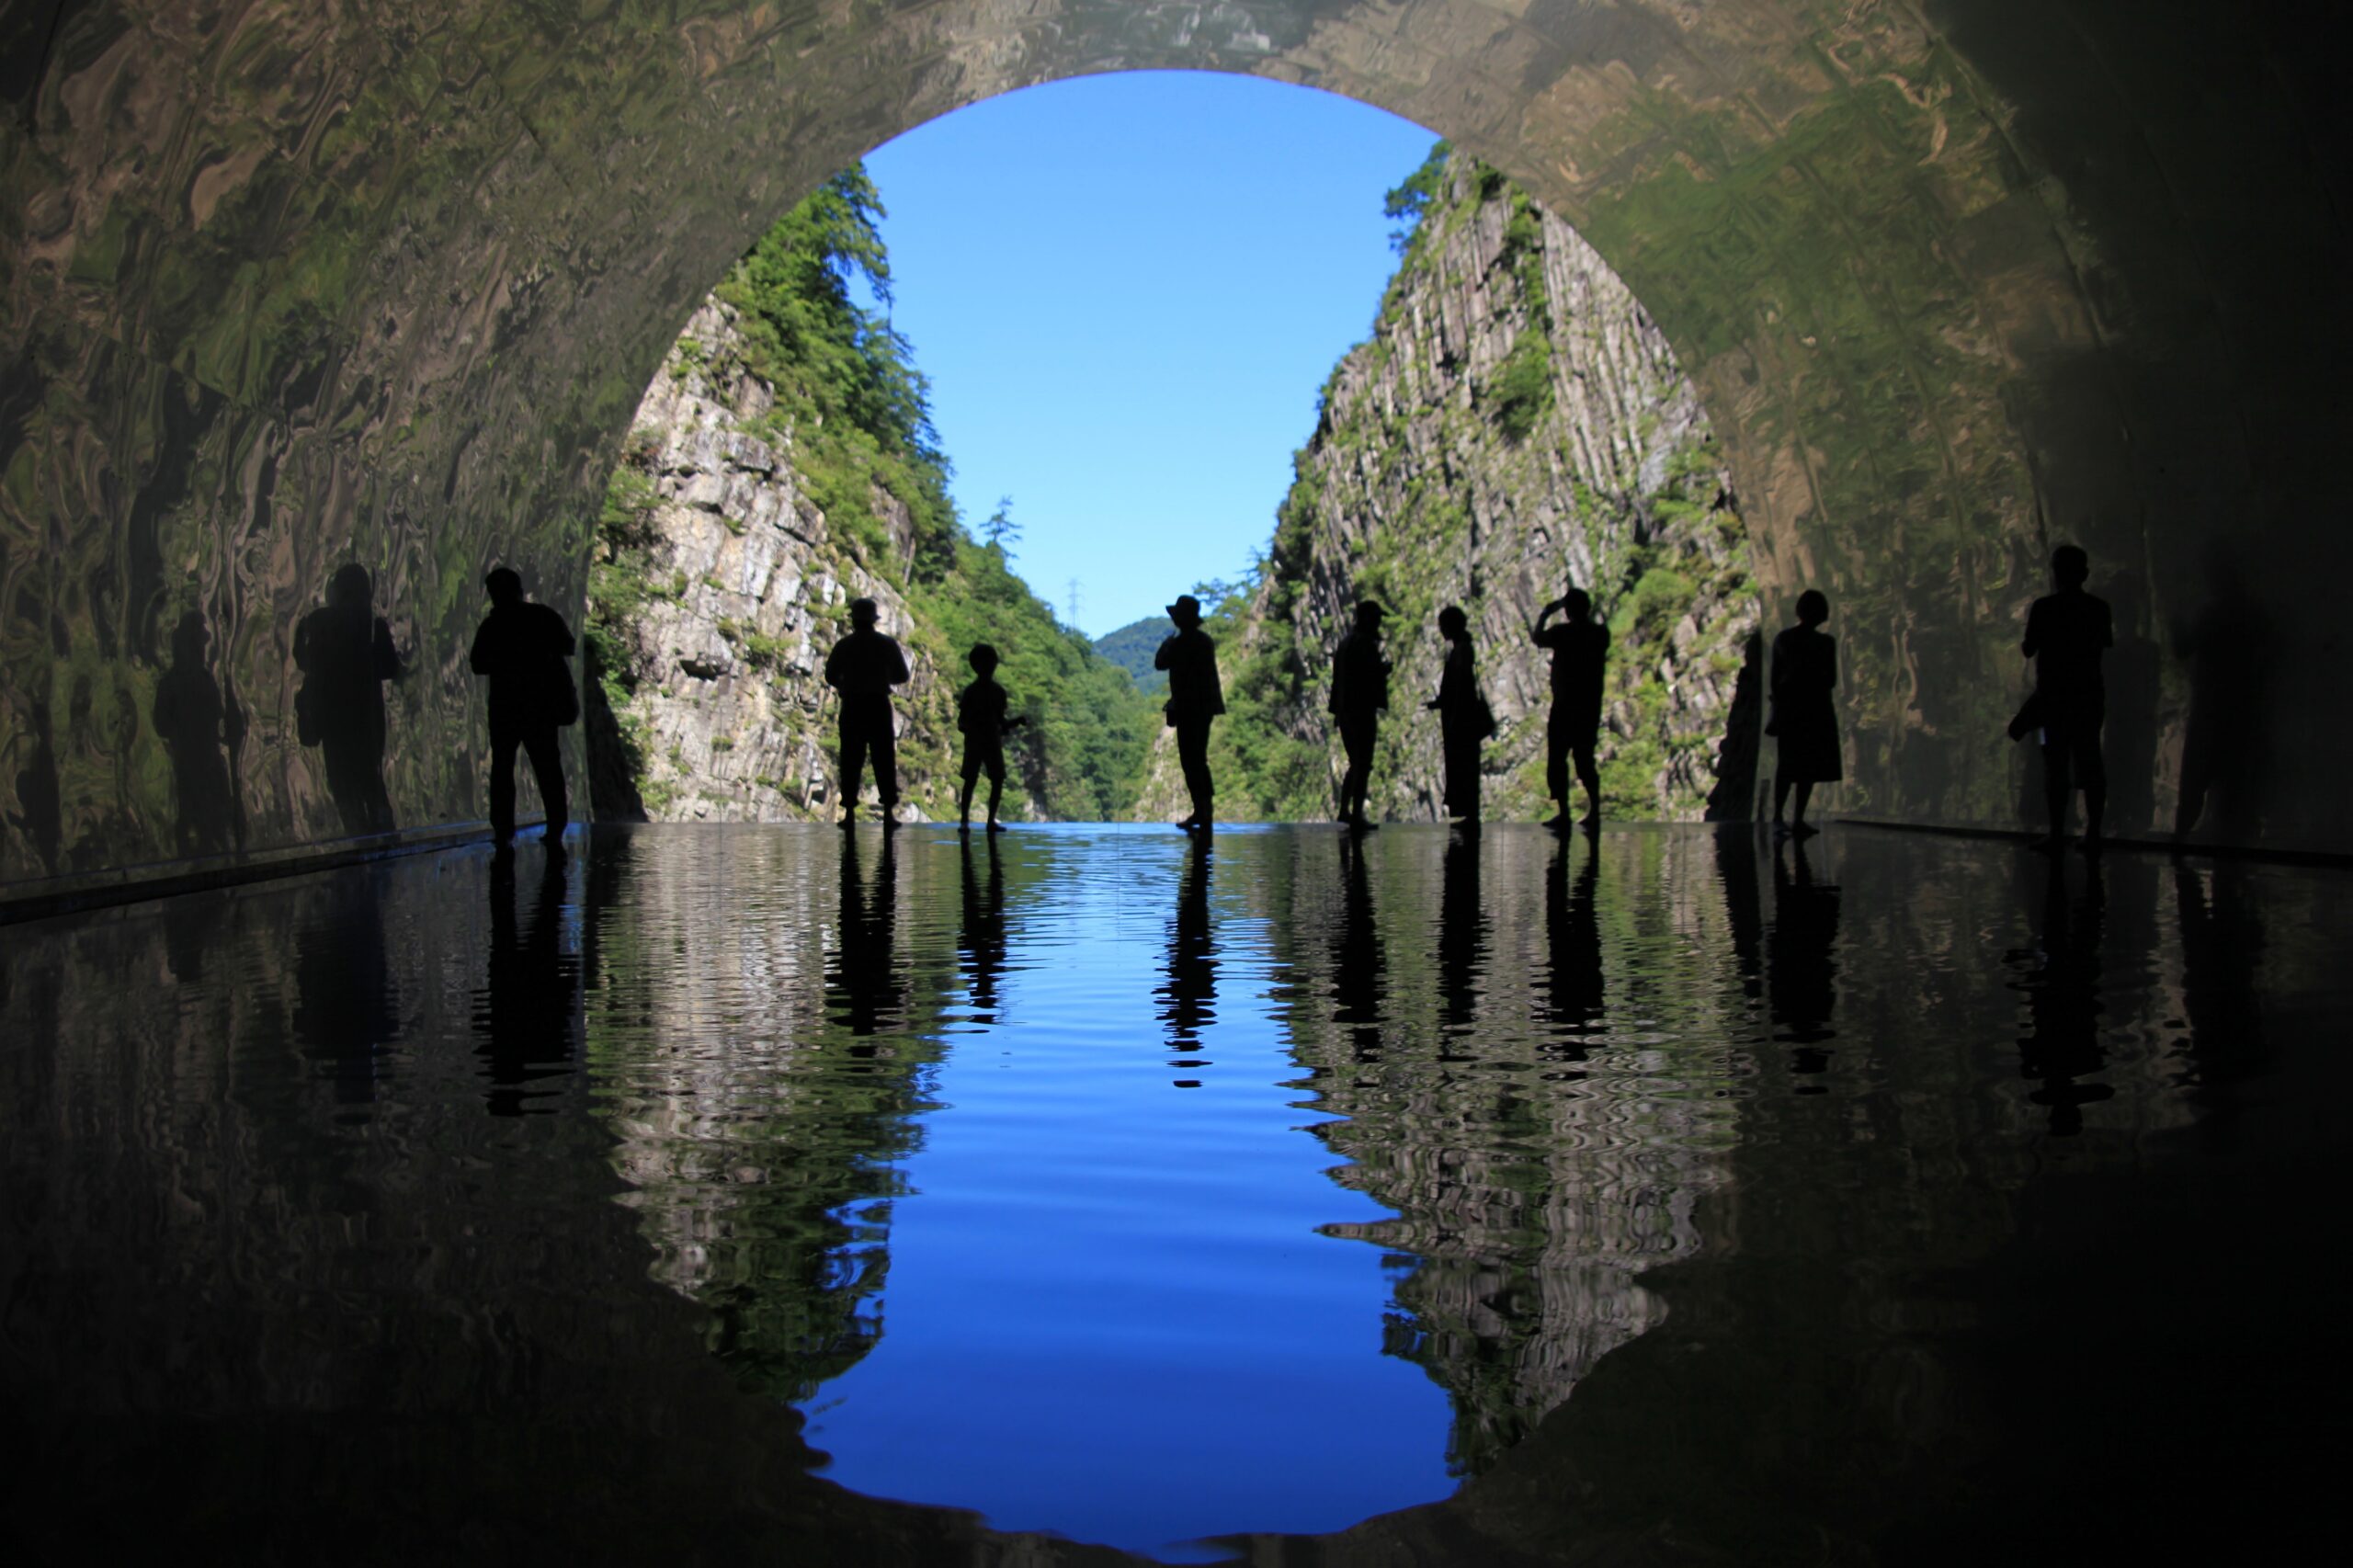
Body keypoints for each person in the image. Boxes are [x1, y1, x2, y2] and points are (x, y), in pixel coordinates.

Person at [293, 562, 405, 834]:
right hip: (367, 719)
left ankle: (357, 840)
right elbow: (389, 669)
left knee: (343, 785)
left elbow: (303, 661)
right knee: (371, 781)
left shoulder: (318, 622)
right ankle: (384, 840)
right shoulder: (371, 624)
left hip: (333, 719)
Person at [469, 566, 576, 846]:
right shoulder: (543, 616)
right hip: (541, 706)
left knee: (503, 768)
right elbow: (569, 645)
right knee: (547, 766)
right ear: (520, 589)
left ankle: (503, 829)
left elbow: (478, 664)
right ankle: (555, 827)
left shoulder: (492, 625)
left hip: (505, 708)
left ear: (492, 594)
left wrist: (505, 662)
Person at [2022, 544, 2113, 852]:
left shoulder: (2043, 608)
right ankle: (2093, 833)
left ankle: (2059, 832)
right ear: (2084, 573)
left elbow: (2028, 648)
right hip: (2088, 697)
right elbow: (2104, 646)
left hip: (2052, 700)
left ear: (2055, 573)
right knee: (2090, 761)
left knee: (2055, 765)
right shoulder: (2099, 609)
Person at [824, 597, 910, 828]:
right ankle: (889, 813)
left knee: (851, 758)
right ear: (874, 620)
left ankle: (849, 813)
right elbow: (903, 675)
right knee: (883, 758)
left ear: (854, 620)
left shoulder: (844, 645)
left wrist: (847, 681)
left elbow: (830, 675)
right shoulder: (887, 644)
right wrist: (882, 677)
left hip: (852, 704)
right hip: (878, 703)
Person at [1530, 585, 1609, 828]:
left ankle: (1564, 812)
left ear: (1567, 611)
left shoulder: (1562, 633)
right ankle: (1595, 810)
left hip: (1564, 706)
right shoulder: (1600, 633)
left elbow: (1537, 638)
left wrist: (1545, 613)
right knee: (1584, 758)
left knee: (1558, 759)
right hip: (1589, 707)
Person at [1768, 589, 1840, 838]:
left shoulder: (1783, 640)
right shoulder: (1825, 643)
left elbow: (1775, 681)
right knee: (1806, 767)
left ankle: (1780, 817)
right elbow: (1830, 679)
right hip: (1816, 709)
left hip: (1792, 709)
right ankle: (1796, 818)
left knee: (1789, 765)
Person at [1154, 593, 1225, 831]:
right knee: (1198, 760)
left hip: (1188, 708)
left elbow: (1160, 663)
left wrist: (1166, 644)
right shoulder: (1204, 641)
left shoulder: (1180, 643)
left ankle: (1201, 811)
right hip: (1203, 707)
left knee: (1190, 760)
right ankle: (1205, 810)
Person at [1328, 600, 1390, 830]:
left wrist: (1337, 710)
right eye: (1376, 617)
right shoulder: (1364, 643)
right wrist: (1382, 671)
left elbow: (1340, 680)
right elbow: (1366, 677)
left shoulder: (1345, 644)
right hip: (1361, 710)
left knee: (1356, 764)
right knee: (1363, 764)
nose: (1379, 622)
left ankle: (1346, 810)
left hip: (1346, 710)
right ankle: (1355, 815)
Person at [956, 642, 1027, 833]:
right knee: (994, 780)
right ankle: (987, 821)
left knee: (973, 780)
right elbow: (1001, 722)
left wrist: (971, 728)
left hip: (976, 740)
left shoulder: (973, 691)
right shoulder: (997, 692)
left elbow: (962, 721)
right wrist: (1016, 722)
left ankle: (966, 821)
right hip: (990, 740)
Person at [1427, 604, 1487, 825]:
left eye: (1443, 625)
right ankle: (1470, 812)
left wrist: (1452, 711)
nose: (1441, 630)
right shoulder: (1462, 649)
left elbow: (1461, 685)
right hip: (1461, 715)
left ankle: (1471, 814)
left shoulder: (1461, 651)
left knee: (1465, 765)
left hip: (1462, 718)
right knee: (1465, 765)